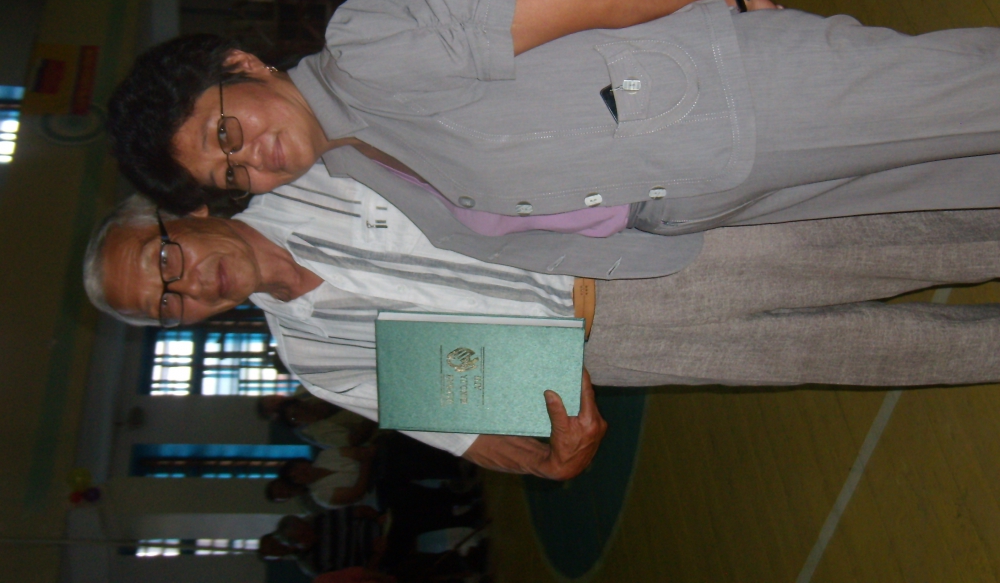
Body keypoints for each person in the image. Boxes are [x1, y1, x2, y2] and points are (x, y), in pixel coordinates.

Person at [107, 0, 1000, 280]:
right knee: (959, 176)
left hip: (737, 96)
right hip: (708, 186)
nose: (255, 160)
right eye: (233, 176)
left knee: (973, 97)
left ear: (243, 66)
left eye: (228, 134)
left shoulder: (366, 47)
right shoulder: (356, 165)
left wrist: (727, 2)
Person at [84, 170, 1000, 478]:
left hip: (636, 244)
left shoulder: (309, 172)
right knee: (866, 351)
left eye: (163, 260)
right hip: (624, 349)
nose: (184, 286)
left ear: (180, 215)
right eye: (164, 306)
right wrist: (555, 458)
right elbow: (479, 436)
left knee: (898, 243)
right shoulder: (316, 359)